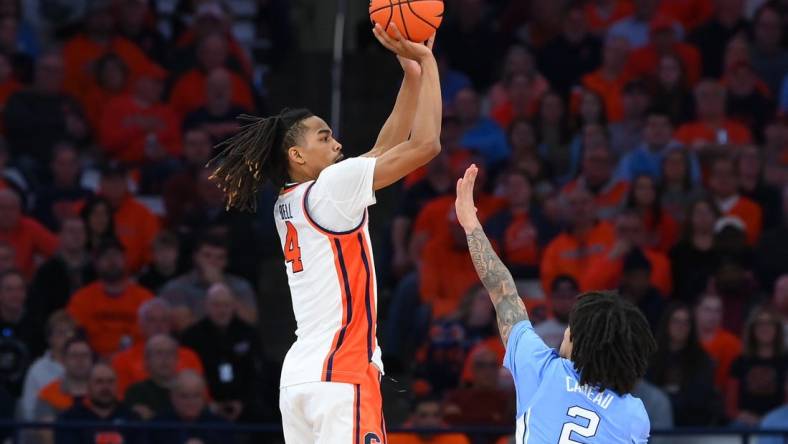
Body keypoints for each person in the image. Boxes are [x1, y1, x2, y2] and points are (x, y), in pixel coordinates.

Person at [208, 23, 441, 443]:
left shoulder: (289, 201)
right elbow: (426, 145)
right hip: (341, 372)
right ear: (297, 154)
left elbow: (381, 150)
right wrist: (427, 61)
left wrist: (411, 78)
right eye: (324, 136)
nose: (337, 143)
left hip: (300, 380)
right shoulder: (331, 189)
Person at [455, 164, 656, 441]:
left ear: (576, 341)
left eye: (570, 329)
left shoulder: (540, 369)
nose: (564, 332)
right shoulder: (634, 415)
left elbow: (503, 292)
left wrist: (470, 225)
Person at [181, 282, 272, 422]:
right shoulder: (192, 336)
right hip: (204, 405)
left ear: (234, 306)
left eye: (226, 305)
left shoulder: (248, 333)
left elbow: (258, 372)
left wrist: (242, 402)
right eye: (216, 305)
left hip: (245, 403)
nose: (222, 310)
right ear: (207, 305)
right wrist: (211, 404)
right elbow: (188, 374)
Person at [66, 238, 154, 356]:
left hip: (139, 364)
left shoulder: (145, 298)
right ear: (96, 263)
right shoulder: (81, 299)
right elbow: (75, 338)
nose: (112, 261)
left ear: (125, 260)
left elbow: (156, 337)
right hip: (93, 364)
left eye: (117, 256)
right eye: (106, 256)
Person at [647, 303, 721, 426]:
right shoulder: (651, 357)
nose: (680, 327)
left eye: (686, 323)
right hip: (654, 423)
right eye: (676, 321)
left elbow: (701, 398)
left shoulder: (702, 360)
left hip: (691, 425)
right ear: (667, 324)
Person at [111, 298, 203, 396]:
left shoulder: (189, 357)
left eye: (164, 320)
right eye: (152, 320)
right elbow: (121, 398)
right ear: (141, 324)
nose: (159, 325)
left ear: (170, 325)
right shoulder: (123, 360)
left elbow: (202, 396)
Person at [28, 216, 95, 327]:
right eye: (71, 231)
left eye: (81, 231)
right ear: (59, 236)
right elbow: (39, 309)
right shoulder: (46, 272)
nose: (76, 236)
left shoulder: (96, 270)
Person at [726, 305, 787, 427]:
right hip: (745, 422)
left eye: (770, 324)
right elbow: (730, 408)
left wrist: (770, 420)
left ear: (777, 329)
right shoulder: (739, 362)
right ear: (752, 329)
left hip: (779, 422)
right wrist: (742, 416)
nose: (765, 328)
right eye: (760, 324)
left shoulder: (786, 362)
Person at [55, 363, 139, 444]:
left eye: (110, 382)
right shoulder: (71, 419)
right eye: (99, 382)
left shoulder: (132, 418)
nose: (105, 387)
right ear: (88, 386)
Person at [19, 311, 75, 420]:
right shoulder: (37, 370)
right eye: (60, 333)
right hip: (44, 425)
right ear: (50, 339)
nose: (66, 338)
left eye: (70, 333)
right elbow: (28, 410)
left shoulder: (84, 365)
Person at [150, 371, 231, 444]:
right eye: (184, 396)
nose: (191, 402)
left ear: (204, 397)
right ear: (172, 397)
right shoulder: (157, 426)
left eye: (196, 396)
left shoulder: (220, 427)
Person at [32, 336, 93, 421]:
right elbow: (46, 432)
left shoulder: (103, 391)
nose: (80, 360)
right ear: (64, 360)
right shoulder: (48, 395)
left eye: (84, 355)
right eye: (74, 356)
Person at [124, 334, 179, 420]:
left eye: (169, 353)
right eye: (159, 353)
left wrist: (153, 416)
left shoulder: (186, 393)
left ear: (177, 360)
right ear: (147, 360)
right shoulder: (136, 392)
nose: (165, 359)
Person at [695, 293, 742, 390]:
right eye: (707, 310)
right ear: (696, 311)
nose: (713, 315)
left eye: (717, 311)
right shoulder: (685, 338)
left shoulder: (733, 343)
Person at [388, 396, 471, 444]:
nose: (430, 421)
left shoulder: (457, 439)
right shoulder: (393, 439)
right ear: (412, 418)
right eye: (423, 416)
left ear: (441, 417)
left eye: (436, 415)